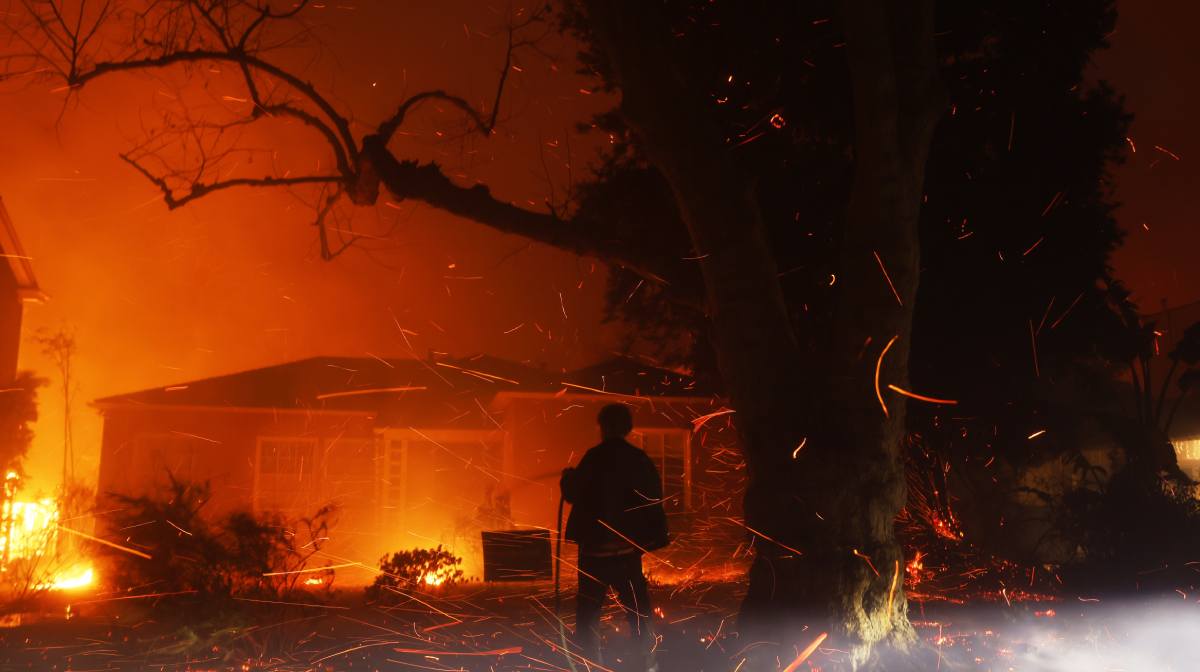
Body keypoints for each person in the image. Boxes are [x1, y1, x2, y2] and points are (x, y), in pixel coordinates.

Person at [560, 403, 670, 671]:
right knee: (638, 615)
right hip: (626, 554)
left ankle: (587, 665)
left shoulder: (593, 457)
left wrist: (568, 479)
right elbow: (652, 497)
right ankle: (646, 664)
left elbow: (573, 493)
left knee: (588, 618)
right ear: (627, 428)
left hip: (594, 555)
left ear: (603, 428)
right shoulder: (638, 459)